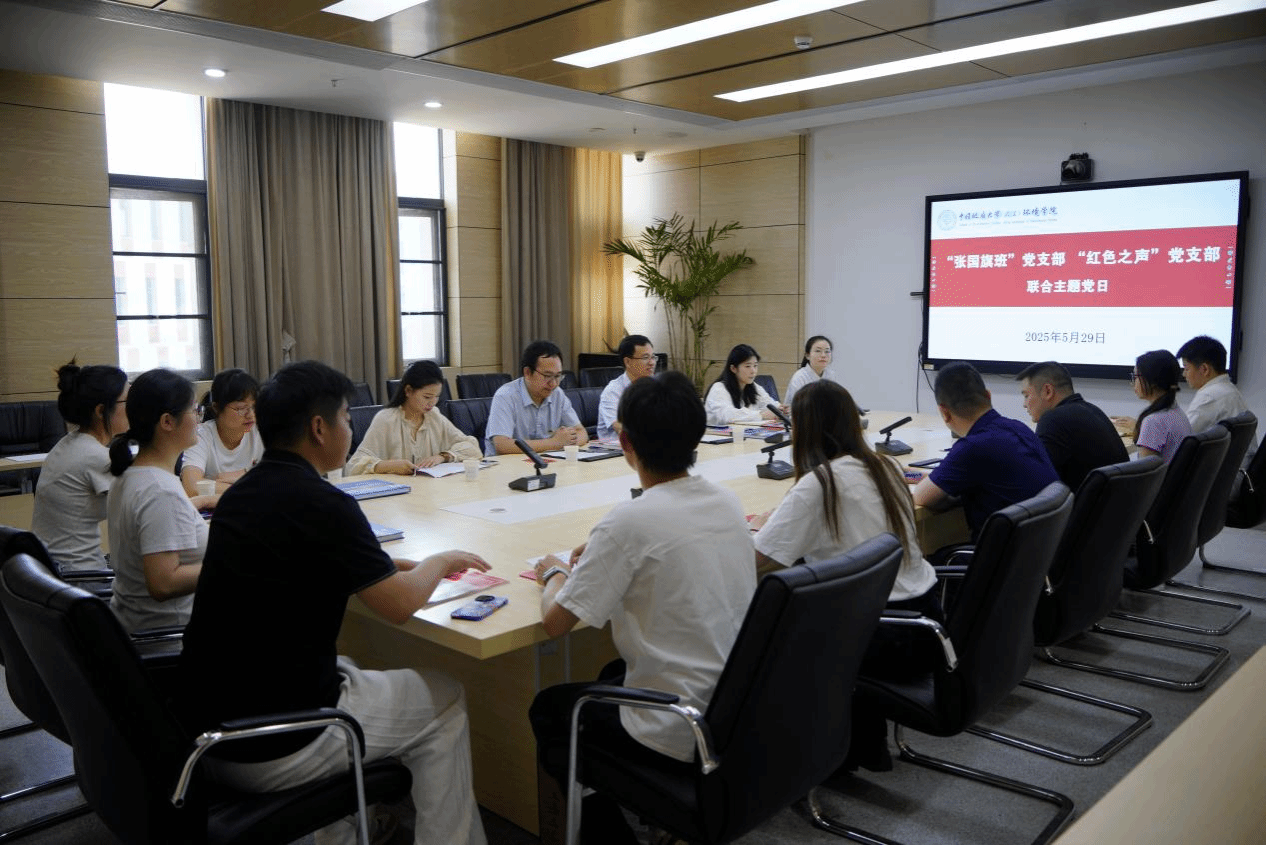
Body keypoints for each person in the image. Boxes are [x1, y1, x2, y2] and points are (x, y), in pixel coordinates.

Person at [178, 360, 488, 845]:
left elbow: (305, 559)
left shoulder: (240, 495)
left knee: (351, 664)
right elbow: (399, 605)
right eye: (346, 417)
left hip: (207, 731)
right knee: (445, 697)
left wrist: (390, 564)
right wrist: (442, 560)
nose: (351, 427)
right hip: (279, 741)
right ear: (319, 429)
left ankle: (341, 831)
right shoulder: (326, 503)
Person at [529, 371, 756, 841]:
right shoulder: (727, 502)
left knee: (550, 709)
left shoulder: (628, 522)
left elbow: (555, 622)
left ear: (625, 441)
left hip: (680, 724)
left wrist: (555, 572)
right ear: (697, 436)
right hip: (736, 706)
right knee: (611, 670)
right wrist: (604, 550)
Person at [751, 379, 941, 771]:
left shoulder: (819, 484)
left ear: (804, 431)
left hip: (879, 637)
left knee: (768, 617)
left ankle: (819, 747)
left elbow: (756, 558)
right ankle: (860, 741)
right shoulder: (885, 466)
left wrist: (756, 527)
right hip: (927, 622)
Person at [106, 368, 210, 633]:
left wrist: (198, 504)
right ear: (167, 422)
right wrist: (230, 563)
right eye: (194, 410)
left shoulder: (132, 475)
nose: (199, 418)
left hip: (136, 624)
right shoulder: (160, 491)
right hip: (172, 637)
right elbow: (163, 584)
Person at [911, 361, 1058, 541]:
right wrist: (914, 475)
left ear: (944, 412)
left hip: (1002, 553)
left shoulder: (972, 447)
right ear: (988, 395)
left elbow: (921, 497)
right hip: (1040, 548)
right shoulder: (1019, 428)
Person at [30, 360, 128, 572]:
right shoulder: (95, 457)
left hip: (50, 571)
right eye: (126, 401)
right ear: (101, 411)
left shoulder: (67, 443)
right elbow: (145, 508)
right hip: (80, 578)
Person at [346, 360, 480, 475]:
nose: (432, 402)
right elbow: (353, 466)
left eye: (437, 396)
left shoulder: (434, 416)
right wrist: (389, 466)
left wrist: (443, 457)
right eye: (427, 397)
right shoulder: (386, 419)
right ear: (408, 391)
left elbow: (472, 448)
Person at [1015, 360, 1128, 491]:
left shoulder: (1053, 420)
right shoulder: (1092, 410)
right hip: (1118, 500)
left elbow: (1037, 481)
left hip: (1085, 503)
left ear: (1047, 391)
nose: (1024, 404)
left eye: (1026, 395)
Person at [485, 340, 588, 455]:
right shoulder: (505, 396)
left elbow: (581, 432)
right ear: (527, 373)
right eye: (547, 376)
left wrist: (567, 442)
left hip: (547, 461)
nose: (553, 384)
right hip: (506, 464)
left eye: (558, 376)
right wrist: (554, 443)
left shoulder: (557, 394)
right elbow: (502, 445)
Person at [180, 368, 264, 496]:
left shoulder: (261, 432)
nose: (251, 415)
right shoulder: (200, 436)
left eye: (254, 407)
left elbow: (279, 477)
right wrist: (250, 485)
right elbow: (191, 487)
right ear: (216, 408)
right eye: (241, 408)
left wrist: (242, 475)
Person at [1177, 335, 1257, 463]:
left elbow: (1181, 440)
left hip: (1224, 472)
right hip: (1238, 469)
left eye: (1186, 368)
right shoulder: (1228, 389)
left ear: (1204, 369)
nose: (1184, 374)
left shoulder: (1210, 396)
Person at [1122, 349, 1192, 463]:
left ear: (1152, 381)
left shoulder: (1153, 421)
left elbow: (1144, 470)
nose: (1132, 382)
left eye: (1136, 376)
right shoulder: (1175, 411)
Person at [704, 343, 787, 426]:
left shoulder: (754, 387)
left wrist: (781, 409)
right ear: (733, 368)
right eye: (748, 366)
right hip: (717, 433)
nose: (753, 371)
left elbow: (769, 404)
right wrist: (760, 415)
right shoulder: (718, 388)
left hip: (744, 432)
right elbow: (727, 416)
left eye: (755, 366)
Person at [595, 334, 655, 441]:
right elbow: (619, 427)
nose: (652, 363)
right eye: (645, 358)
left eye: (653, 357)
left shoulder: (655, 386)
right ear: (627, 362)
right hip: (616, 449)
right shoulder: (613, 391)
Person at [782, 335, 837, 406]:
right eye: (818, 351)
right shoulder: (800, 377)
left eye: (827, 351)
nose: (823, 355)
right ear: (807, 355)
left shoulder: (830, 375)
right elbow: (796, 406)